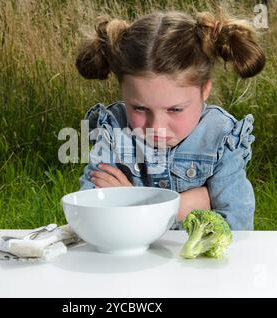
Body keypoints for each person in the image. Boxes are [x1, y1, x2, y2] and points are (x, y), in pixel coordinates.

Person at [74, 10, 265, 230]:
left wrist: (128, 202)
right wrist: (183, 206)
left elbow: (236, 226)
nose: (156, 127)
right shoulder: (113, 129)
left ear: (204, 90)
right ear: (122, 92)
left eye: (175, 109)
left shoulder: (221, 136)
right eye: (139, 108)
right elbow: (88, 220)